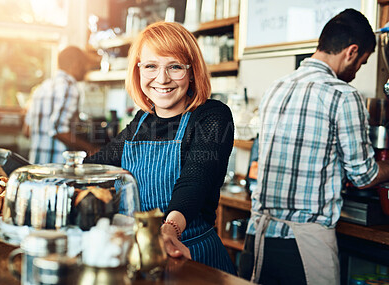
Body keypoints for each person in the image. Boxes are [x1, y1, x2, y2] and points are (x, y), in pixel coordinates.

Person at [238, 9, 389, 285]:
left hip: (258, 237)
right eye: (362, 63)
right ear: (351, 52)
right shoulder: (344, 95)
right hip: (304, 247)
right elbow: (363, 175)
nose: (356, 73)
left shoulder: (277, 87)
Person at [84, 21, 236, 274]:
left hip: (190, 255)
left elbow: (195, 181)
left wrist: (169, 230)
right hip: (141, 254)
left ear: (191, 71)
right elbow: (98, 167)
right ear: (138, 70)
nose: (162, 79)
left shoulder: (212, 116)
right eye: (151, 66)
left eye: (174, 67)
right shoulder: (142, 120)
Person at [23, 46, 98, 164]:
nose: (86, 70)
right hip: (57, 171)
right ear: (76, 64)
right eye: (85, 65)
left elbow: (26, 131)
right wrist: (91, 148)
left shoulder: (41, 87)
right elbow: (57, 129)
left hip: (36, 170)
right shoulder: (69, 88)